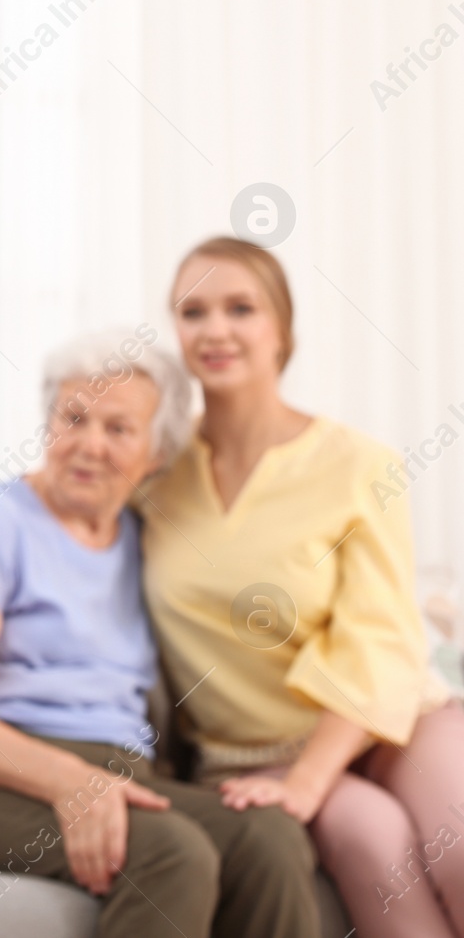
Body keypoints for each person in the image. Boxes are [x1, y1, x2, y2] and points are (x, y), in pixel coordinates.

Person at [0, 330, 321, 938]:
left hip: (119, 770)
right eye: (74, 418)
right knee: (172, 853)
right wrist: (71, 783)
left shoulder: (148, 545)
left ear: (156, 452)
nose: (90, 445)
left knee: (268, 839)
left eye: (118, 429)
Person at [138, 236, 464, 937]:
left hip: (395, 720)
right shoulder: (154, 472)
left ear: (281, 328)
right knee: (375, 840)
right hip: (256, 748)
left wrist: (312, 779)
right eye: (193, 312)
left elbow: (380, 638)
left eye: (240, 308)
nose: (215, 329)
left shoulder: (358, 464)